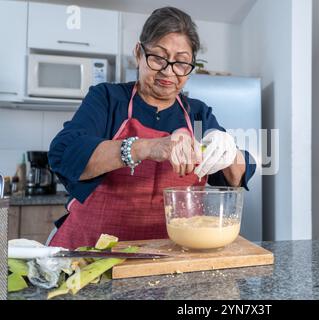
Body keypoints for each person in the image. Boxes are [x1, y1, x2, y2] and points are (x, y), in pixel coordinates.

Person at [46, 7, 257, 249]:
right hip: (92, 251)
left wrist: (230, 153)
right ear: (138, 52)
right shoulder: (107, 99)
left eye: (181, 63)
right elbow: (64, 153)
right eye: (158, 57)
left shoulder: (198, 114)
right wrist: (145, 148)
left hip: (169, 254)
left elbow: (234, 177)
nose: (168, 72)